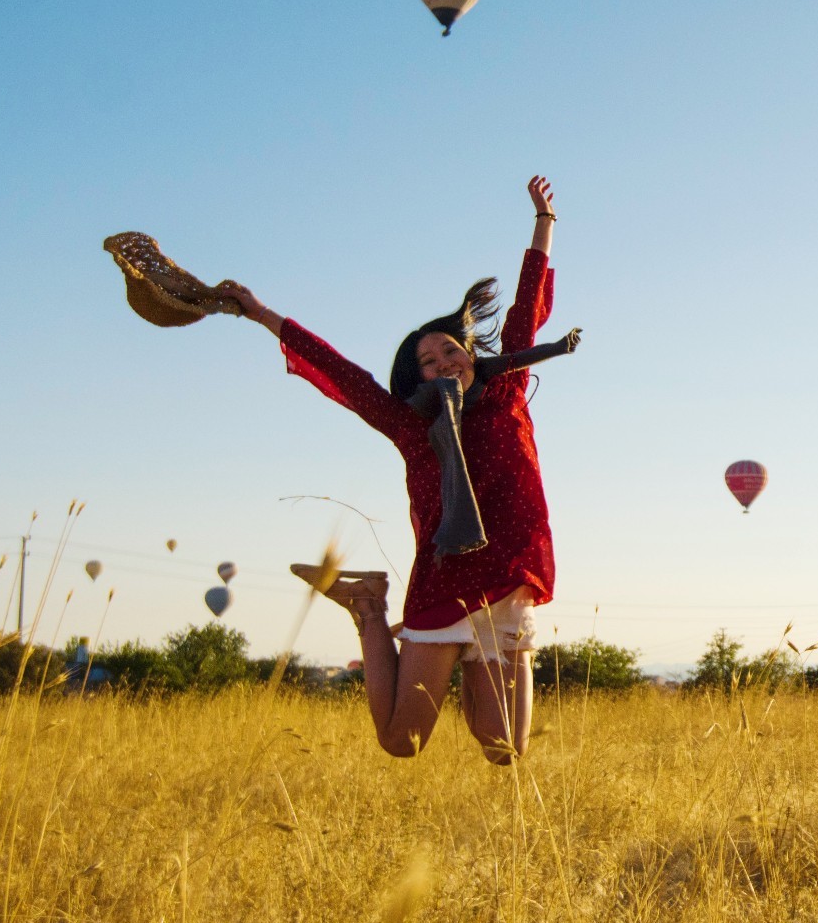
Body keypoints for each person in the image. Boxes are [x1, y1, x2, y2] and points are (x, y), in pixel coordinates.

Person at [222, 175, 571, 764]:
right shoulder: (410, 426)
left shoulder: (507, 389)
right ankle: (367, 606)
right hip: (443, 581)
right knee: (401, 742)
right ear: (418, 380)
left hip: (506, 577)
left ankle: (459, 673)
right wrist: (261, 314)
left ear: (470, 355)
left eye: (449, 351)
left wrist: (544, 221)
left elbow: (527, 307)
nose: (441, 364)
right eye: (426, 363)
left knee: (504, 749)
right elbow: (344, 375)